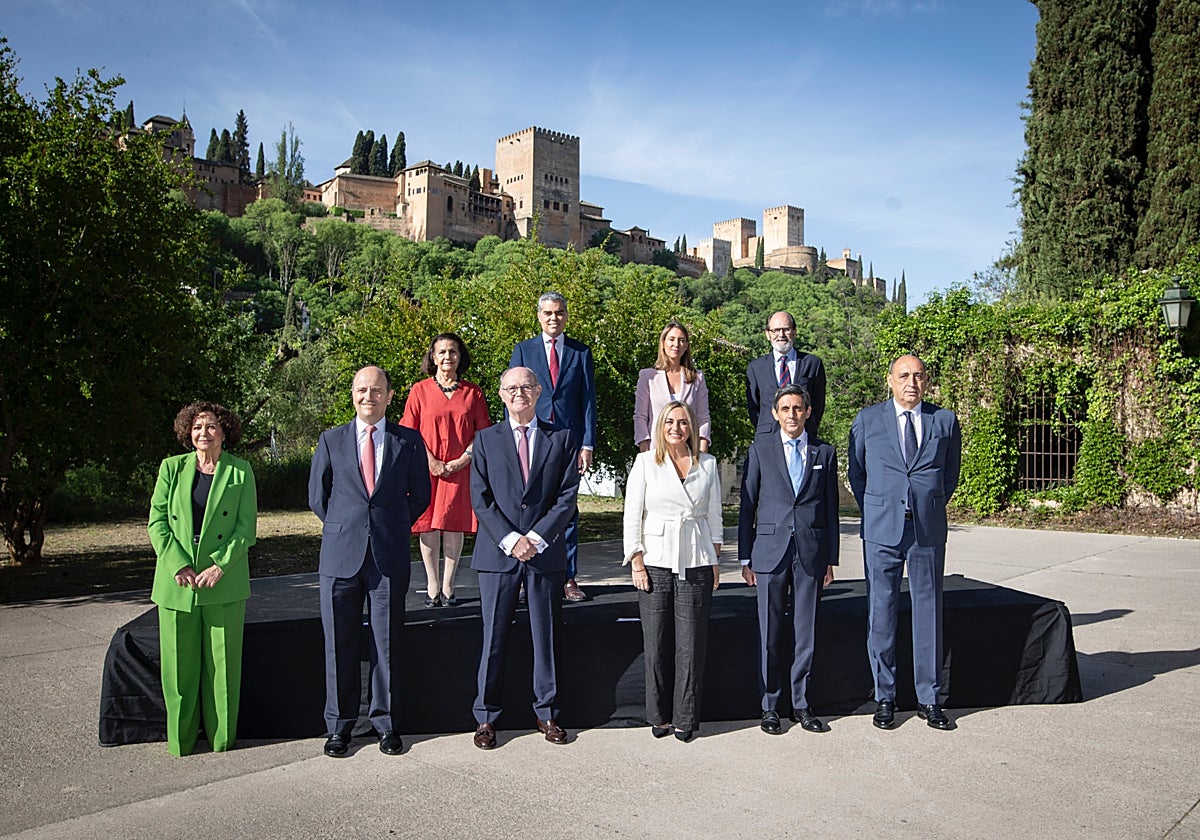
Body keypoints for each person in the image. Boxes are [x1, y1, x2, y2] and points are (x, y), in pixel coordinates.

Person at [309, 365, 431, 757]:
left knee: (387, 644)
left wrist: (390, 524)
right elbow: (318, 497)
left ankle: (386, 725)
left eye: (376, 390)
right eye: (362, 390)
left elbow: (421, 495)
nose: (368, 397)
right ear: (352, 394)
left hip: (388, 556)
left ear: (390, 396)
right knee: (337, 646)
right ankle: (339, 727)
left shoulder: (409, 441)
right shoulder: (330, 440)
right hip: (340, 557)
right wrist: (347, 526)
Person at [847, 354, 961, 731]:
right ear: (890, 380)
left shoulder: (943, 421)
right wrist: (880, 506)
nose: (911, 382)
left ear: (926, 381)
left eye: (918, 376)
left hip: (926, 530)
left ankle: (928, 699)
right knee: (881, 613)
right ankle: (885, 697)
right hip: (882, 530)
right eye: (904, 376)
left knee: (928, 612)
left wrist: (926, 503)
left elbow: (950, 475)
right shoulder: (867, 420)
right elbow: (858, 473)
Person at [469, 366, 581, 750]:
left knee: (545, 637)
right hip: (497, 556)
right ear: (501, 395)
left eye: (526, 387)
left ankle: (547, 713)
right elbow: (480, 499)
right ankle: (485, 718)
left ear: (538, 392)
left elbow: (566, 498)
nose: (519, 393)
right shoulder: (484, 441)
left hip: (542, 555)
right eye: (511, 388)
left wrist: (534, 538)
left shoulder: (562, 438)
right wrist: (511, 539)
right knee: (492, 639)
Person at [148, 401, 257, 756]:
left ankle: (222, 741)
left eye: (211, 427)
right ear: (186, 432)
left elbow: (245, 530)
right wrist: (178, 564)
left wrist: (219, 566)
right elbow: (158, 522)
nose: (203, 433)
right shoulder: (170, 469)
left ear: (225, 431)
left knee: (223, 669)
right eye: (196, 427)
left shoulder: (241, 472)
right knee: (178, 671)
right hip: (177, 580)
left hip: (221, 579)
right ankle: (179, 744)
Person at [739, 385, 838, 735]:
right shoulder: (760, 449)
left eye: (798, 408)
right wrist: (746, 555)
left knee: (805, 632)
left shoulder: (824, 452)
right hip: (769, 551)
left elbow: (830, 508)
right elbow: (747, 504)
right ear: (775, 414)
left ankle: (801, 704)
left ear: (808, 412)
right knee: (770, 632)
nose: (792, 415)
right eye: (785, 409)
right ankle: (769, 705)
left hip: (810, 552)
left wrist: (830, 558)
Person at [623, 401, 722, 742]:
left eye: (682, 422)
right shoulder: (646, 463)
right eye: (669, 422)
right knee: (657, 644)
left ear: (692, 427)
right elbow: (632, 514)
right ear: (660, 427)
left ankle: (685, 718)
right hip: (655, 562)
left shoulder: (707, 465)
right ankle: (658, 716)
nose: (676, 428)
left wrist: (715, 560)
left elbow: (714, 518)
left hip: (696, 561)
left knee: (691, 646)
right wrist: (636, 560)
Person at [509, 291, 597, 603]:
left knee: (567, 510)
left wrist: (587, 444)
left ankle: (568, 577)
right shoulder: (523, 350)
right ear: (538, 316)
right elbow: (511, 395)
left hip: (569, 443)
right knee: (530, 508)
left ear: (566, 316)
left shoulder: (580, 352)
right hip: (532, 439)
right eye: (547, 313)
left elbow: (587, 401)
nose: (553, 318)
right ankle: (525, 575)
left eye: (559, 312)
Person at [401, 333, 492, 607]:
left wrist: (463, 460)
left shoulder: (473, 393)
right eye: (441, 352)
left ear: (460, 356)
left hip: (460, 470)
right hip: (426, 469)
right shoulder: (419, 390)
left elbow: (483, 432)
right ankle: (431, 584)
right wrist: (429, 460)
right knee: (428, 525)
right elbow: (409, 430)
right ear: (432, 356)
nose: (447, 357)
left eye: (452, 351)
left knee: (454, 525)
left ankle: (450, 585)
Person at [634, 321, 711, 453]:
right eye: (672, 339)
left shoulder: (697, 378)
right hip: (656, 451)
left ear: (686, 345)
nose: (676, 344)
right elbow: (640, 416)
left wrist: (702, 452)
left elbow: (703, 417)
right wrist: (645, 450)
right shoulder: (648, 377)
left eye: (681, 340)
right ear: (663, 343)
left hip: (688, 452)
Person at [745, 311, 826, 438]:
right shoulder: (756, 367)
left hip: (804, 436)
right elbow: (753, 407)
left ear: (794, 331)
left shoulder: (812, 364)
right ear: (767, 334)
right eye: (775, 330)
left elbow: (818, 404)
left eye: (786, 329)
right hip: (768, 438)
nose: (781, 335)